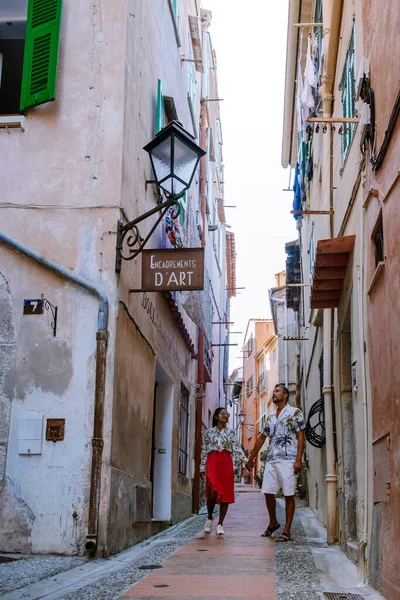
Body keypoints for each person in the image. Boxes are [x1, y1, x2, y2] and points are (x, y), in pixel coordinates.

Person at [247, 384, 306, 542]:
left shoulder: (295, 413)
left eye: (277, 391)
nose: (273, 393)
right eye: (273, 391)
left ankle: (287, 530)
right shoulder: (271, 416)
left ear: (285, 395)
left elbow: (301, 436)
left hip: (288, 460)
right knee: (268, 492)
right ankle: (273, 522)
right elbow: (261, 438)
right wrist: (251, 457)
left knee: (288, 494)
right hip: (272, 459)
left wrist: (298, 459)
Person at [200, 407, 247, 535]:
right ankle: (209, 517)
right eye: (222, 413)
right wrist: (202, 467)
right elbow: (204, 450)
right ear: (216, 417)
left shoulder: (231, 433)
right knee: (212, 492)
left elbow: (237, 449)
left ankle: (220, 523)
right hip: (212, 461)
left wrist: (246, 461)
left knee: (225, 494)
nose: (225, 415)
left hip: (226, 462)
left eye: (227, 414)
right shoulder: (209, 432)